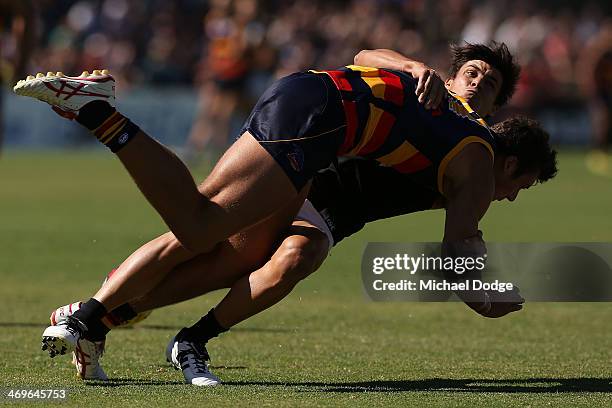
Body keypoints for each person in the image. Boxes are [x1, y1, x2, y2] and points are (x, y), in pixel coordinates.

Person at [15, 42, 550, 381]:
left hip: (311, 111)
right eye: (473, 71)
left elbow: (464, 234)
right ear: (455, 75)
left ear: (496, 108)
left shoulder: (462, 131)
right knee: (199, 226)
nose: (479, 81)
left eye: (491, 83)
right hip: (321, 121)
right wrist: (484, 297)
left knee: (215, 242)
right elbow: (457, 245)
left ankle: (92, 320)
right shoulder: (445, 110)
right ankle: (98, 112)